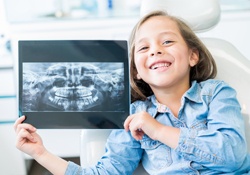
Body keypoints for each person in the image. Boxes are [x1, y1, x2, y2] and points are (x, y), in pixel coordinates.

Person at [14, 10, 250, 174]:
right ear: (136, 71)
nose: (155, 51)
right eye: (144, 47)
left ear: (193, 56)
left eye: (167, 42)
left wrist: (157, 130)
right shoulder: (134, 116)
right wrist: (40, 153)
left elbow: (233, 156)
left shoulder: (217, 93)